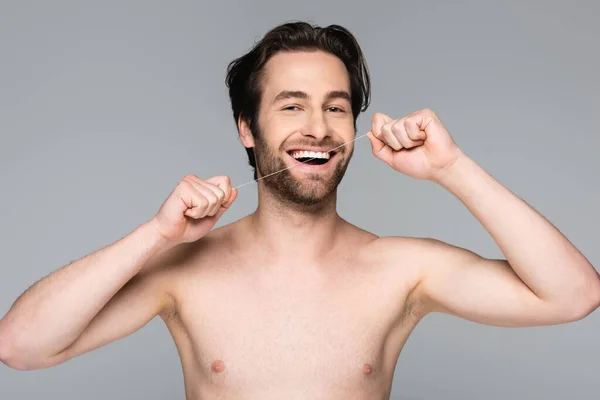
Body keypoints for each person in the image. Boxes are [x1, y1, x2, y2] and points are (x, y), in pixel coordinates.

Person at [0, 21, 598, 399]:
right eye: (291, 106)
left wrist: (451, 168)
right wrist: (155, 237)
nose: (317, 127)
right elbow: (21, 346)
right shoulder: (183, 273)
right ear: (247, 129)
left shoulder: (403, 272)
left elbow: (573, 295)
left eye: (337, 108)